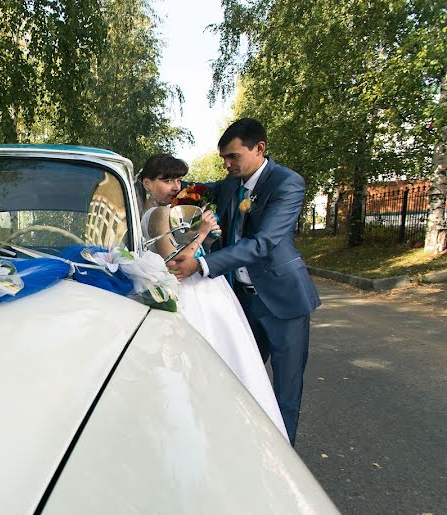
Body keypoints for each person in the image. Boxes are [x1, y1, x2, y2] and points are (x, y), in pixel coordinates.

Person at [166, 119, 321, 445]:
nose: (227, 164)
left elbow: (264, 243)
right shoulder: (228, 185)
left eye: (233, 156)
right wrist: (159, 184)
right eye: (224, 157)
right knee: (239, 378)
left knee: (285, 392)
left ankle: (283, 461)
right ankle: (242, 448)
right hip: (242, 302)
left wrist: (202, 264)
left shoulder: (287, 183)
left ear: (259, 149)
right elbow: (196, 188)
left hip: (283, 302)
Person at [138, 153, 288, 439]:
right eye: (166, 179)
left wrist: (204, 238)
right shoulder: (157, 213)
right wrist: (201, 233)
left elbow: (187, 249)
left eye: (178, 179)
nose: (175, 186)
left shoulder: (165, 211)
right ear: (147, 182)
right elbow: (175, 262)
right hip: (193, 292)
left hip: (203, 288)